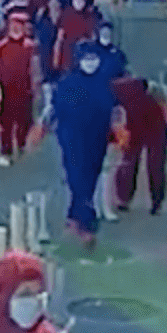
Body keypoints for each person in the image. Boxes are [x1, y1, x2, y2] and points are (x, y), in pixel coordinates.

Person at [50, 38, 118, 247]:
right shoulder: (67, 82)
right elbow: (56, 108)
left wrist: (117, 130)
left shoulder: (105, 82)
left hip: (97, 140)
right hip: (72, 139)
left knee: (89, 180)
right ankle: (87, 226)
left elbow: (113, 109)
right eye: (86, 59)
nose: (91, 63)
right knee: (76, 178)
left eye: (94, 58)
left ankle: (73, 217)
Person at [110, 72, 167, 215]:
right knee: (156, 164)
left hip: (134, 125)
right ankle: (157, 203)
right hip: (156, 125)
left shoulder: (112, 91)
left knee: (128, 162)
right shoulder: (142, 88)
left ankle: (123, 200)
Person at [0, 9, 42, 161]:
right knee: (6, 123)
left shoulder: (30, 46)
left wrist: (37, 86)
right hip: (6, 90)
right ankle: (6, 151)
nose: (15, 29)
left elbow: (36, 67)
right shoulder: (1, 46)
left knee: (24, 122)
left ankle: (21, 146)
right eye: (13, 25)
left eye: (19, 26)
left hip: (24, 90)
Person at [54, 0, 99, 74]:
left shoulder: (88, 15)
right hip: (68, 46)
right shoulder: (66, 13)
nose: (78, 2)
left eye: (81, 0)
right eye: (76, 0)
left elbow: (92, 35)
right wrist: (58, 45)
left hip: (83, 46)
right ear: (72, 1)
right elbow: (60, 33)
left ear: (85, 2)